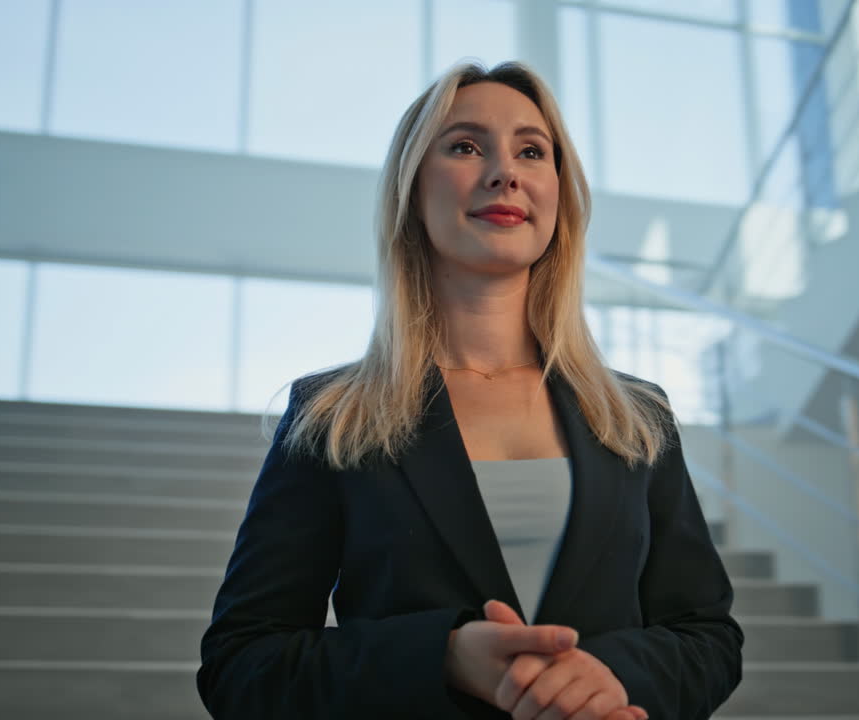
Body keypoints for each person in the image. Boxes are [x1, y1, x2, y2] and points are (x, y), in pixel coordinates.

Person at [196, 61, 743, 720]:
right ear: (412, 190)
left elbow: (707, 637)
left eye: (532, 151)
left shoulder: (637, 416)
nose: (505, 171)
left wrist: (617, 676)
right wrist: (443, 656)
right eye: (464, 146)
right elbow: (243, 665)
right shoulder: (333, 417)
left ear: (557, 194)